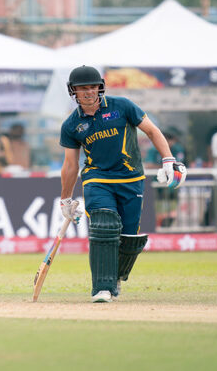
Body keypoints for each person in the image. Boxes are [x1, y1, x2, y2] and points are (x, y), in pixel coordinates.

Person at [59, 66, 186, 303]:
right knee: (104, 224)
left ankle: (115, 278)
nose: (88, 92)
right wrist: (66, 198)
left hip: (131, 178)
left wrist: (169, 159)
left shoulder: (122, 106)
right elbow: (70, 165)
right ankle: (101, 288)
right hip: (98, 179)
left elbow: (152, 130)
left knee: (128, 238)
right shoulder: (71, 125)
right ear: (73, 91)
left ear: (100, 87)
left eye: (92, 87)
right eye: (82, 88)